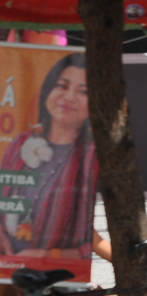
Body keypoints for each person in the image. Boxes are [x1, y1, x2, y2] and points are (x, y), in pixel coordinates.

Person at [0, 52, 99, 260]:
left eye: (84, 91)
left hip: (58, 277)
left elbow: (94, 244)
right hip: (6, 268)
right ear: (48, 89)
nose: (69, 96)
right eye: (62, 86)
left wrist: (48, 255)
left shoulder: (94, 155)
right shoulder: (20, 143)